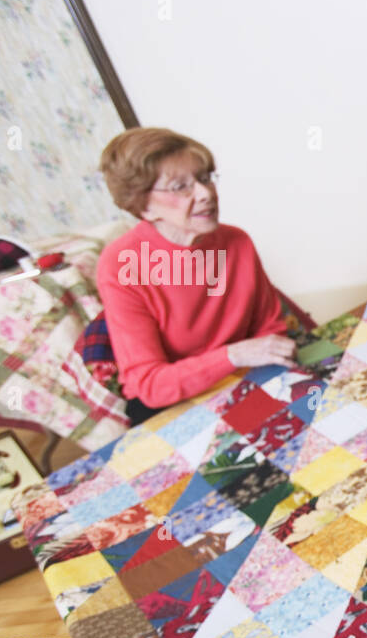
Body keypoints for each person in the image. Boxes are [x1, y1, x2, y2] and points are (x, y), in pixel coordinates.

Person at [96, 127, 298, 424]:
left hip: (244, 379)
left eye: (204, 178)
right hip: (175, 403)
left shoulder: (237, 241)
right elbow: (149, 384)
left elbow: (270, 328)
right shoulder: (121, 264)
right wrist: (233, 355)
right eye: (180, 186)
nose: (206, 194)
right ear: (143, 205)